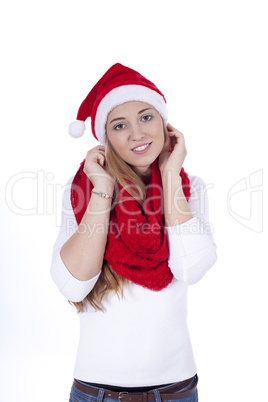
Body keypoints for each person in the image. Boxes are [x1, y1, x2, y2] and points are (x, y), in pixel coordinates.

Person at [50, 63, 217, 402]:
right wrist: (102, 189)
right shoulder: (81, 189)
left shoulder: (191, 188)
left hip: (176, 391)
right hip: (95, 392)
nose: (137, 134)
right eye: (120, 125)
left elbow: (191, 269)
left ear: (164, 122)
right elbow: (74, 284)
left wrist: (171, 175)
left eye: (146, 117)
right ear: (105, 137)